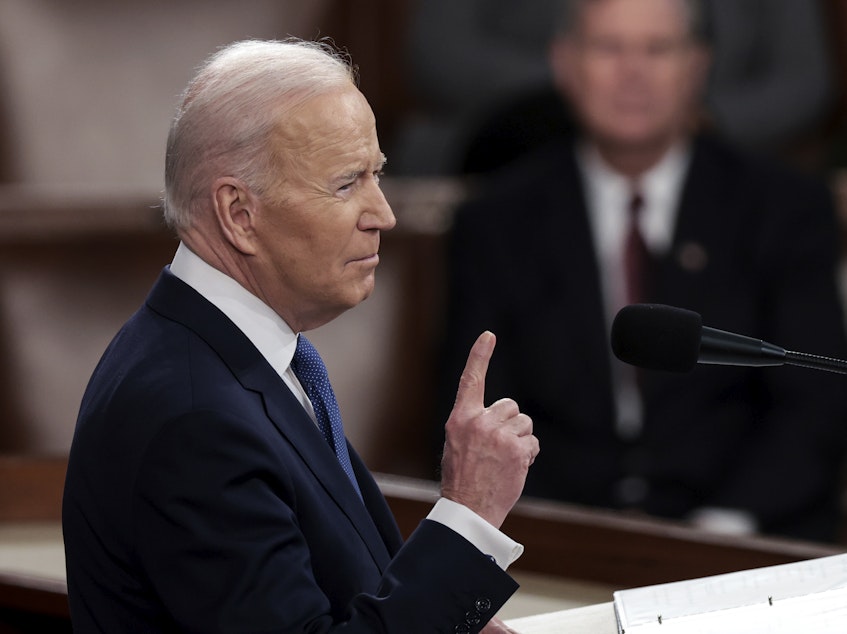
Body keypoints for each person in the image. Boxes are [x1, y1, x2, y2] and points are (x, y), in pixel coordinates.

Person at [62, 39, 539, 633]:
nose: (383, 214)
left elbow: (346, 595)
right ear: (240, 215)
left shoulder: (232, 357)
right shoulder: (195, 419)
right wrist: (470, 516)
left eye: (378, 175)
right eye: (347, 184)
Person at [440, 0, 847, 542]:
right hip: (556, 544)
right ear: (564, 62)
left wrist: (718, 531)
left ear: (699, 65)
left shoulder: (784, 208)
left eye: (658, 49)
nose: (633, 72)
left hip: (743, 537)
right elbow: (478, 405)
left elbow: (813, 405)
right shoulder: (496, 221)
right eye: (610, 48)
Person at [391, 0, 835, 175]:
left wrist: (699, 114)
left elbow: (804, 79)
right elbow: (437, 51)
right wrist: (592, 87)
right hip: (515, 144)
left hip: (710, 144)